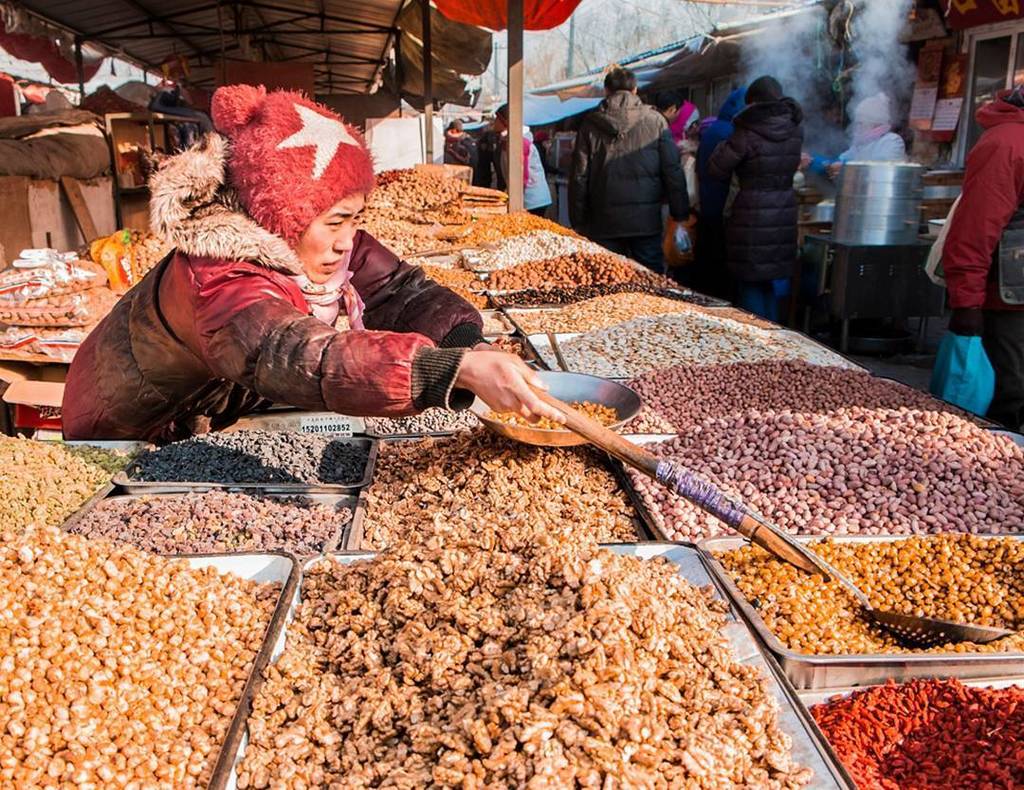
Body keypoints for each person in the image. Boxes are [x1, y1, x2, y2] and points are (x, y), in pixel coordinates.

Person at [62, 85, 561, 441]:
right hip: (130, 431)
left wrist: (466, 343)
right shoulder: (216, 273)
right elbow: (291, 353)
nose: (349, 241)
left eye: (355, 218)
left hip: (218, 402)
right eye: (335, 221)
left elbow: (399, 291)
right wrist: (447, 370)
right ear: (281, 217)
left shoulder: (318, 241)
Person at [941, 84, 1024, 430]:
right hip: (1009, 305)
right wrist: (967, 305)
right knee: (1008, 400)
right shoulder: (1006, 143)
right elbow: (974, 230)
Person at [569, 66, 689, 274]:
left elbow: (580, 175)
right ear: (635, 90)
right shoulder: (656, 121)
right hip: (646, 222)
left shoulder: (590, 124)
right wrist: (680, 213)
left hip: (603, 221)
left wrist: (578, 221)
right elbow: (672, 169)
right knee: (650, 282)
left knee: (607, 279)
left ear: (606, 91)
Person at [708, 76, 803, 322]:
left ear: (752, 102)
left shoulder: (746, 131)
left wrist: (721, 145)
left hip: (752, 213)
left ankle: (757, 341)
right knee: (769, 279)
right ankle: (775, 339)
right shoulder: (794, 127)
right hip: (784, 209)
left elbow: (717, 169)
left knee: (749, 281)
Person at [693, 86, 746, 300]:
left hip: (707, 202)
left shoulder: (715, 129)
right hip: (721, 205)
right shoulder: (729, 133)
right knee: (718, 263)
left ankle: (707, 297)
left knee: (709, 260)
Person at [807, 92, 906, 179]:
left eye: (861, 123)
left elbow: (880, 167)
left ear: (875, 123)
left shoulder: (892, 141)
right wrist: (812, 161)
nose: (856, 127)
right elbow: (838, 161)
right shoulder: (860, 144)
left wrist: (846, 167)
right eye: (857, 122)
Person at [492, 104, 552, 217]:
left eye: (497, 119)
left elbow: (521, 172)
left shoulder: (520, 142)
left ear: (505, 122)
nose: (494, 122)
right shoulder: (506, 141)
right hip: (523, 198)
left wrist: (515, 198)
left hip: (532, 200)